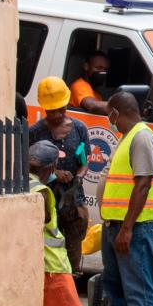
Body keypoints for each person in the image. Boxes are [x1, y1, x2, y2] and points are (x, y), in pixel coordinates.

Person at [30, 142, 129, 306]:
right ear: (50, 168)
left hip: (43, 270)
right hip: (52, 270)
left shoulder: (23, 184)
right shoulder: (40, 193)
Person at [99, 92, 153, 306]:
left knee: (140, 289)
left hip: (137, 228)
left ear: (116, 112)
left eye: (108, 114)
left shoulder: (142, 137)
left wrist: (127, 228)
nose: (108, 119)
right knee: (114, 288)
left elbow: (143, 185)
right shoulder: (127, 138)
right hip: (116, 227)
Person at [27, 78, 90, 258]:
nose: (57, 115)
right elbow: (29, 165)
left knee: (74, 242)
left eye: (61, 109)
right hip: (45, 198)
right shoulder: (35, 132)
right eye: (52, 111)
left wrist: (77, 178)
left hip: (72, 198)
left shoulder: (79, 129)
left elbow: (85, 161)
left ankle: (72, 275)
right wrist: (55, 173)